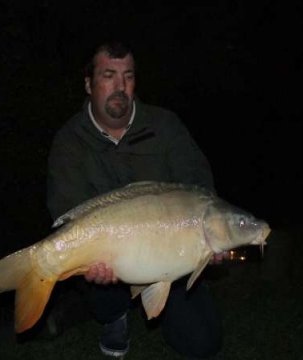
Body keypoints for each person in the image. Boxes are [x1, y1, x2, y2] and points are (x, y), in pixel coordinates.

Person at [46, 41, 223, 359]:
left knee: (203, 342)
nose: (120, 86)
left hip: (171, 255)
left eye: (128, 76)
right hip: (107, 257)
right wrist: (84, 260)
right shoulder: (69, 140)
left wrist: (210, 236)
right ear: (89, 84)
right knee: (95, 283)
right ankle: (115, 316)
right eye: (108, 75)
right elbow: (65, 211)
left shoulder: (165, 125)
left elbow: (200, 188)